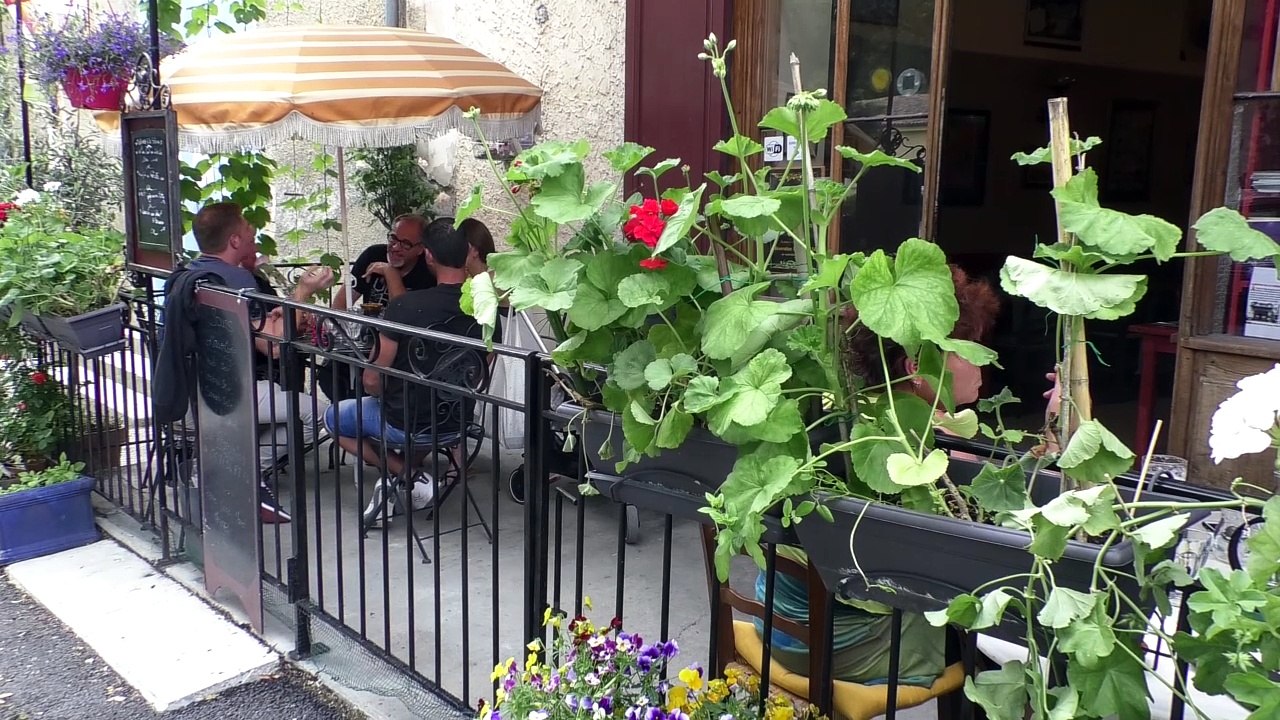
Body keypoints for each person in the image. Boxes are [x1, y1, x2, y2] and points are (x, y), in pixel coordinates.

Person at [756, 266, 1016, 687]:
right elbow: (975, 551)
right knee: (998, 646)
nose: (983, 361)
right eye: (969, 348)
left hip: (780, 624)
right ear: (916, 365)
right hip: (850, 645)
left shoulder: (849, 418)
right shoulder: (918, 452)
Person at [154, 201, 334, 523]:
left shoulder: (191, 274)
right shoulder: (236, 280)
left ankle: (218, 471)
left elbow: (247, 328)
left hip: (184, 397)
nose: (254, 239)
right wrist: (304, 291)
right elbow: (275, 346)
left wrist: (268, 317)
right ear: (235, 241)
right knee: (318, 415)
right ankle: (235, 474)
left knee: (286, 408)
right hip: (222, 398)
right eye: (250, 233)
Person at [323, 222, 483, 518]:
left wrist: (381, 386)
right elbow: (479, 373)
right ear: (467, 256)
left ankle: (406, 473)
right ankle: (406, 474)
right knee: (409, 414)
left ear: (429, 256)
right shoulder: (484, 308)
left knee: (332, 418)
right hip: (458, 422)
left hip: (407, 421)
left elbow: (372, 380)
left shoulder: (407, 307)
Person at [331, 214, 435, 311]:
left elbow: (402, 315)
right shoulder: (373, 255)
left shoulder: (428, 271)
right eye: (393, 238)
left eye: (406, 244)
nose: (395, 247)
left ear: (421, 249)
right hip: (367, 329)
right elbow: (341, 304)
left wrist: (390, 271)